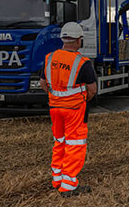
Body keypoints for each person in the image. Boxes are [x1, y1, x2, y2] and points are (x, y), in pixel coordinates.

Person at [40, 22, 97, 197]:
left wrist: (57, 97)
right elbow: (92, 89)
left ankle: (57, 180)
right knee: (75, 144)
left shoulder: (50, 58)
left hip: (55, 108)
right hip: (74, 110)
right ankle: (68, 185)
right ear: (79, 41)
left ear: (63, 39)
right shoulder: (83, 62)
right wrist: (80, 100)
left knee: (60, 142)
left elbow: (43, 83)